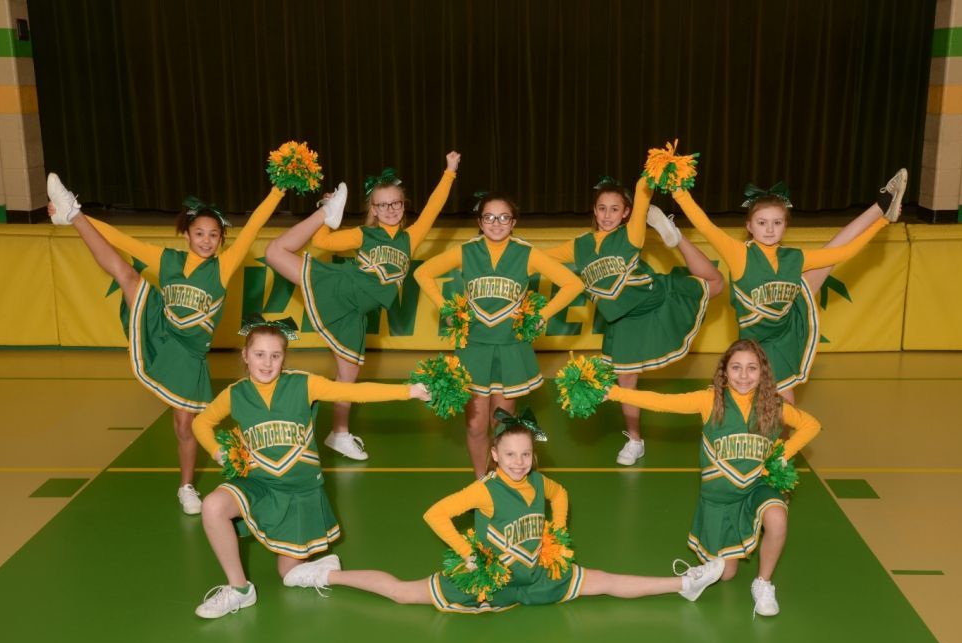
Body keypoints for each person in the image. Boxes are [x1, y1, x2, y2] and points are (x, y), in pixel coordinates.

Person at [291, 409, 725, 612]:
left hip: (536, 577)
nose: (519, 462)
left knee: (606, 581)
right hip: (488, 582)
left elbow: (561, 496)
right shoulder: (486, 490)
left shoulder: (538, 480)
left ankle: (682, 583)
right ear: (494, 455)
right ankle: (323, 573)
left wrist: (554, 535)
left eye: (526, 454)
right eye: (510, 454)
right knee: (403, 593)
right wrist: (467, 555)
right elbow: (435, 514)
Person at [46, 173, 286, 514]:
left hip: (190, 356)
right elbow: (119, 239)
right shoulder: (168, 260)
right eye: (199, 233)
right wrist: (80, 219)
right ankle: (74, 212)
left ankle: (186, 486)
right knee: (126, 274)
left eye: (213, 235)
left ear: (220, 240)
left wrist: (278, 190)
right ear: (186, 233)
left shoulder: (222, 267)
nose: (206, 241)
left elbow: (252, 229)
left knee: (184, 425)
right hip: (162, 331)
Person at [189, 316, 431, 619]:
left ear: (284, 358)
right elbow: (201, 423)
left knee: (288, 575)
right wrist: (217, 452)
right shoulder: (235, 394)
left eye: (275, 356)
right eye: (259, 355)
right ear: (245, 356)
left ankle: (322, 571)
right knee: (212, 505)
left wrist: (409, 391)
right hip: (259, 486)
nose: (267, 363)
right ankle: (239, 589)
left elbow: (353, 392)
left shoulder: (303, 384)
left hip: (300, 496)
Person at [604, 339, 821, 617]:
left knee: (777, 518)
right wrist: (614, 393)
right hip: (720, 498)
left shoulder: (772, 404)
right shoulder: (710, 400)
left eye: (752, 368)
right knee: (726, 574)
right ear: (724, 371)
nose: (744, 375)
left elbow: (810, 425)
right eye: (736, 367)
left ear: (763, 372)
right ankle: (707, 569)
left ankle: (763, 583)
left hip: (758, 485)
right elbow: (661, 402)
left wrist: (782, 454)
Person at [669, 170, 906, 403]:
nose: (770, 229)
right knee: (760, 402)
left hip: (787, 328)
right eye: (762, 223)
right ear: (749, 226)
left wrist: (883, 224)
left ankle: (882, 206)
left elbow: (844, 252)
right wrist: (679, 192)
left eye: (777, 223)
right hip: (756, 340)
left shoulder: (795, 257)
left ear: (785, 226)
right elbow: (706, 226)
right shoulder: (739, 254)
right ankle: (882, 204)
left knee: (784, 400)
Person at [542, 175, 724, 465]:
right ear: (594, 210)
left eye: (615, 209)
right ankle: (635, 440)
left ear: (626, 213)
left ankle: (676, 236)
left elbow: (643, 191)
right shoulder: (578, 246)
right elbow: (536, 257)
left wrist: (655, 170)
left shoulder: (631, 234)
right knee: (627, 382)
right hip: (622, 320)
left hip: (654, 298)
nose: (607, 215)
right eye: (602, 208)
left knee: (715, 283)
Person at [296, 153, 461, 461]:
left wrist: (449, 171)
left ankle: (337, 433)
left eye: (396, 203)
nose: (389, 209)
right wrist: (325, 212)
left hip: (356, 312)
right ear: (373, 208)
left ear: (404, 204)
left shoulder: (410, 238)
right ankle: (334, 430)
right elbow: (321, 243)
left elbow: (433, 208)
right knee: (348, 375)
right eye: (382, 204)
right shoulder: (364, 234)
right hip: (341, 294)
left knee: (348, 376)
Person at [413, 193, 584, 477]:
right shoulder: (466, 251)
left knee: (502, 423)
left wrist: (541, 314)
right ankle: (483, 482)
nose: (496, 223)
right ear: (480, 222)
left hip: (510, 348)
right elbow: (423, 273)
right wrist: (446, 307)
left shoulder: (526, 253)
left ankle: (504, 479)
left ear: (513, 222)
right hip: (474, 347)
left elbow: (572, 283)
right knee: (475, 425)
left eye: (504, 217)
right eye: (489, 217)